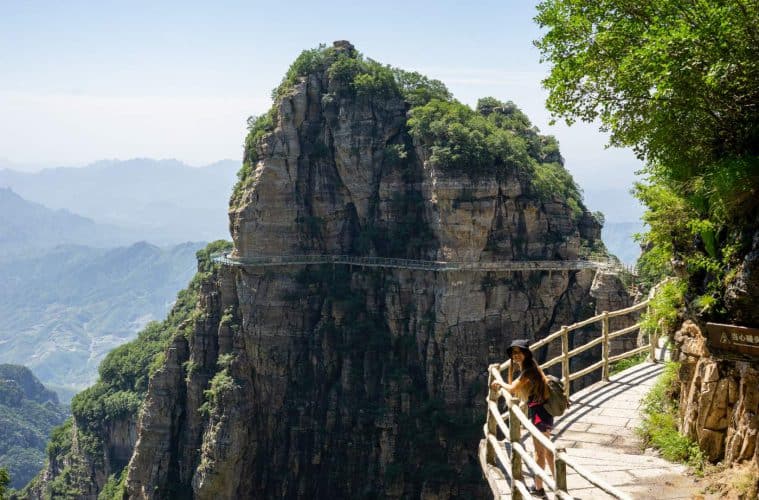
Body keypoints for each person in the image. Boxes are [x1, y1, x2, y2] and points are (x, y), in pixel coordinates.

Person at [490, 339, 555, 498]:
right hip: (544, 412)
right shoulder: (531, 367)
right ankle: (557, 482)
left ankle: (539, 489)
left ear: (526, 353)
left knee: (539, 452)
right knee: (547, 449)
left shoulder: (529, 371)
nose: (516, 355)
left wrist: (499, 382)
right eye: (514, 353)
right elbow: (518, 386)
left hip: (539, 414)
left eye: (519, 352)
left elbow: (512, 389)